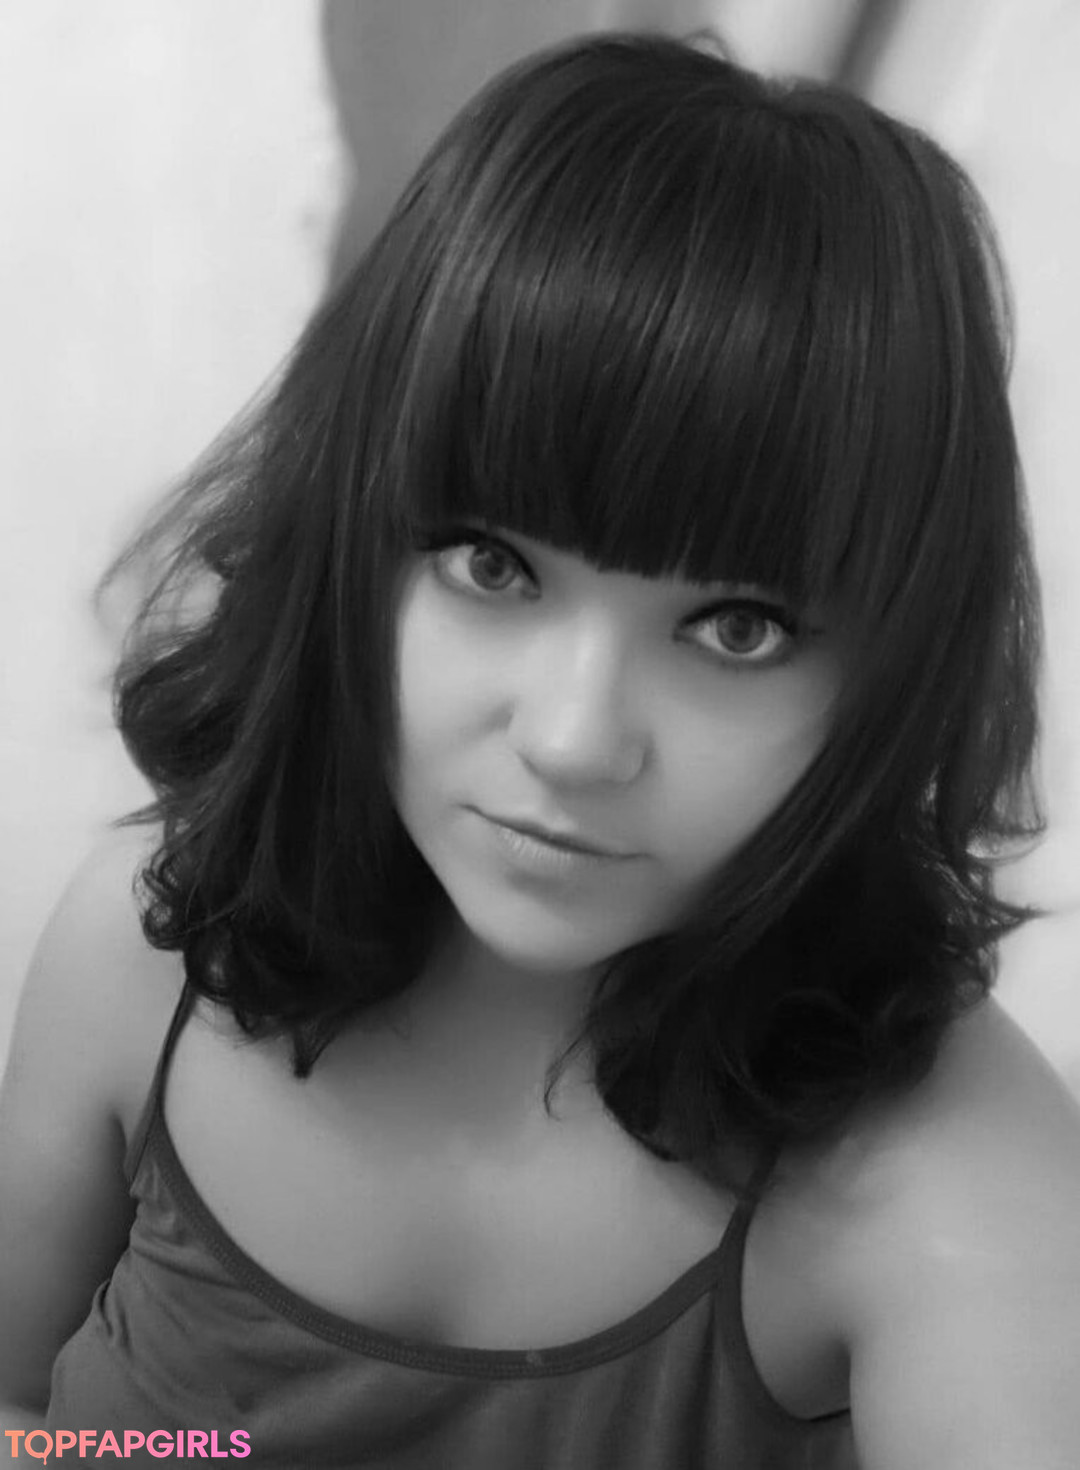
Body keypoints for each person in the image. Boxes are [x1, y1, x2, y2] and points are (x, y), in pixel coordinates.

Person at [2, 29, 1079, 1470]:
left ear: (893, 671)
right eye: (492, 566)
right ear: (353, 538)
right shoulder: (149, 952)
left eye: (739, 629)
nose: (573, 741)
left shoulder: (941, 1188)